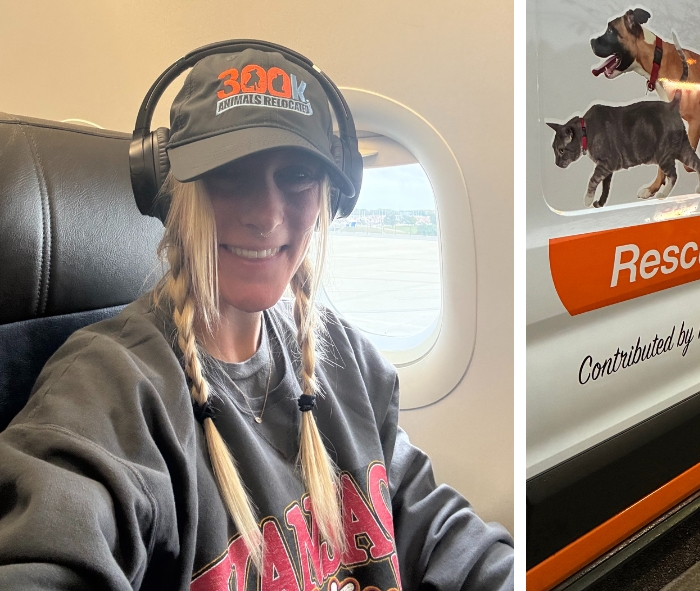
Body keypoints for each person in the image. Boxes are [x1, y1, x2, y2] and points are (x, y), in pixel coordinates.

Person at [0, 47, 513, 590]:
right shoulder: (107, 390)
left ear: (328, 198)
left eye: (296, 176)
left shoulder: (346, 361)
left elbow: (442, 535)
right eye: (229, 174)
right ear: (172, 189)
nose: (267, 217)